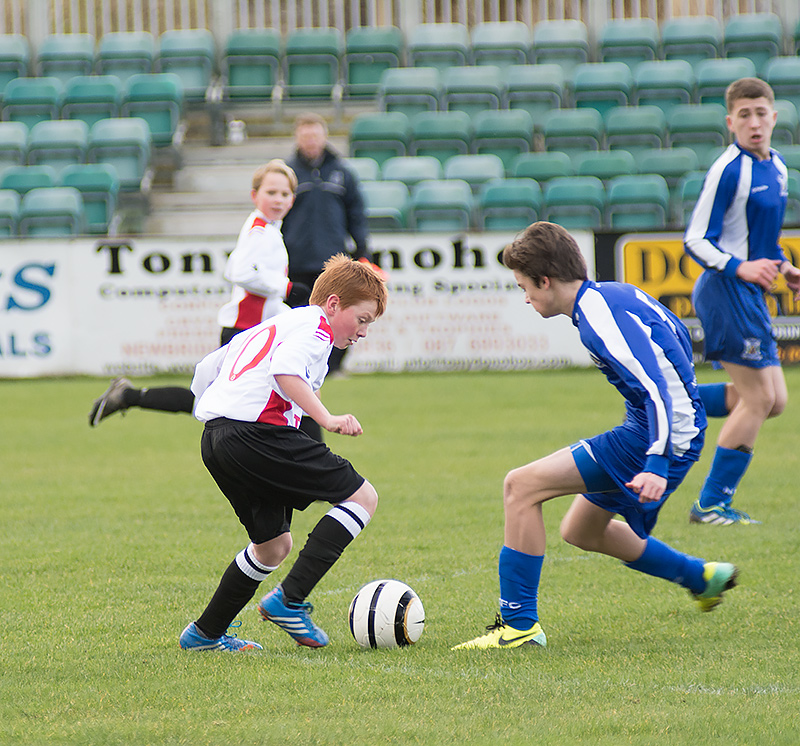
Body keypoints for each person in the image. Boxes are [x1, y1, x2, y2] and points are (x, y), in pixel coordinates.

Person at [453, 221, 737, 652]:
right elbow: (675, 341)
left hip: (654, 439)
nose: (525, 297)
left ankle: (518, 625)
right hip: (665, 431)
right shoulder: (615, 294)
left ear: (545, 281)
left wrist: (657, 462)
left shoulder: (598, 319)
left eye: (524, 287)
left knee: (520, 486)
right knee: (582, 530)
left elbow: (656, 387)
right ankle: (701, 577)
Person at [179, 254, 388, 651]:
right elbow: (285, 371)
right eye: (361, 320)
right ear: (333, 305)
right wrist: (327, 418)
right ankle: (289, 601)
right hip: (256, 435)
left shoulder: (277, 324)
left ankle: (204, 634)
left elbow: (207, 369)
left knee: (273, 546)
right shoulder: (317, 331)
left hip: (217, 437)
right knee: (362, 497)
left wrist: (217, 419)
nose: (362, 332)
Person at [88, 159, 310, 428]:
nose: (278, 199)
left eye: (284, 194)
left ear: (293, 199)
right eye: (271, 192)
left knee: (274, 395)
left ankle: (128, 396)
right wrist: (286, 288)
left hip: (255, 329)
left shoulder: (268, 229)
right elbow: (238, 271)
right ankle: (127, 395)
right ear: (254, 195)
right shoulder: (260, 230)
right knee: (218, 402)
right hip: (245, 330)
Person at [684, 77, 800, 526]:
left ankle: (672, 399)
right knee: (756, 400)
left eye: (761, 113)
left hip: (749, 291)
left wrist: (783, 267)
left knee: (774, 402)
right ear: (731, 122)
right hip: (725, 290)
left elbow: (762, 242)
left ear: (775, 116)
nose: (755, 123)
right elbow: (696, 240)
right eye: (745, 115)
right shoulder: (729, 169)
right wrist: (740, 268)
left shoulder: (778, 167)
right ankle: (711, 506)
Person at [282, 112, 372, 373]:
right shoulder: (288, 174)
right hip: (296, 261)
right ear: (297, 138)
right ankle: (299, 367)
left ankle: (333, 368)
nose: (311, 141)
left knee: (338, 316)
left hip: (333, 262)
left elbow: (357, 215)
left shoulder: (343, 173)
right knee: (298, 318)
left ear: (324, 137)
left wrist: (363, 248)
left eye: (315, 135)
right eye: (305, 135)